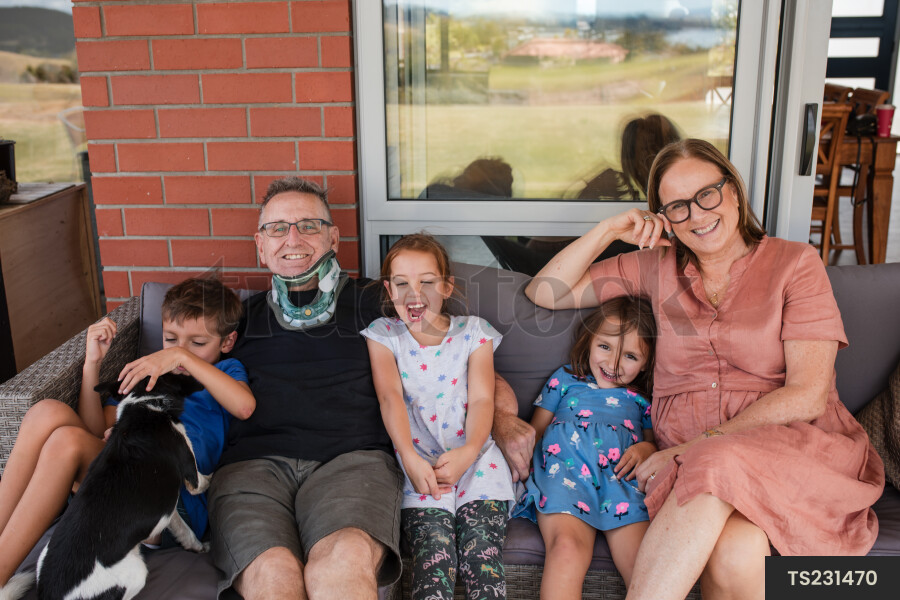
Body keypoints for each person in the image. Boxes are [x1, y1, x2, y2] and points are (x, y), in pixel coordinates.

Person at [525, 139, 884, 600]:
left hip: (789, 447)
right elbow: (545, 292)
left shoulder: (795, 264)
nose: (696, 215)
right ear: (663, 218)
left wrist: (696, 447)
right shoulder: (656, 268)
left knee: (715, 460)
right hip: (697, 474)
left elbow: (809, 394)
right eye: (677, 206)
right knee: (737, 548)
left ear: (733, 190)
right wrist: (609, 229)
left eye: (707, 195)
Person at [206, 177, 534, 600]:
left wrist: (502, 422)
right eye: (277, 228)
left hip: (352, 463)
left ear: (333, 238)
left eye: (308, 225)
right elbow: (188, 375)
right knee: (272, 573)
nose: (292, 238)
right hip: (253, 467)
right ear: (259, 243)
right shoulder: (235, 320)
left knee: (342, 561)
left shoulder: (381, 303)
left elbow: (463, 365)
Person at [0, 277, 255, 593]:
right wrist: (92, 363)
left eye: (197, 343)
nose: (178, 352)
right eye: (170, 339)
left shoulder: (226, 371)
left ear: (226, 342)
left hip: (169, 497)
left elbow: (244, 406)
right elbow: (95, 431)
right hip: (118, 483)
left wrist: (181, 357)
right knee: (46, 413)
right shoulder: (147, 371)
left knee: (67, 441)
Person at [362, 234, 515, 600]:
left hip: (477, 462)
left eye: (427, 281)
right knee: (434, 556)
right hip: (419, 467)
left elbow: (482, 399)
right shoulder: (385, 336)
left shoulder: (473, 332)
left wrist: (469, 450)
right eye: (402, 283)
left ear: (446, 287)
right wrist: (410, 458)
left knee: (482, 554)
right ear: (389, 290)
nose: (415, 293)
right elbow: (390, 398)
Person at [513, 297, 656, 598]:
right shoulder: (565, 378)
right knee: (567, 549)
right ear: (589, 341)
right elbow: (534, 433)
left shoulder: (643, 400)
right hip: (564, 472)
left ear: (646, 363)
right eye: (604, 346)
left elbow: (652, 444)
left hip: (621, 481)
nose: (613, 364)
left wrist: (646, 449)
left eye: (630, 356)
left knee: (646, 565)